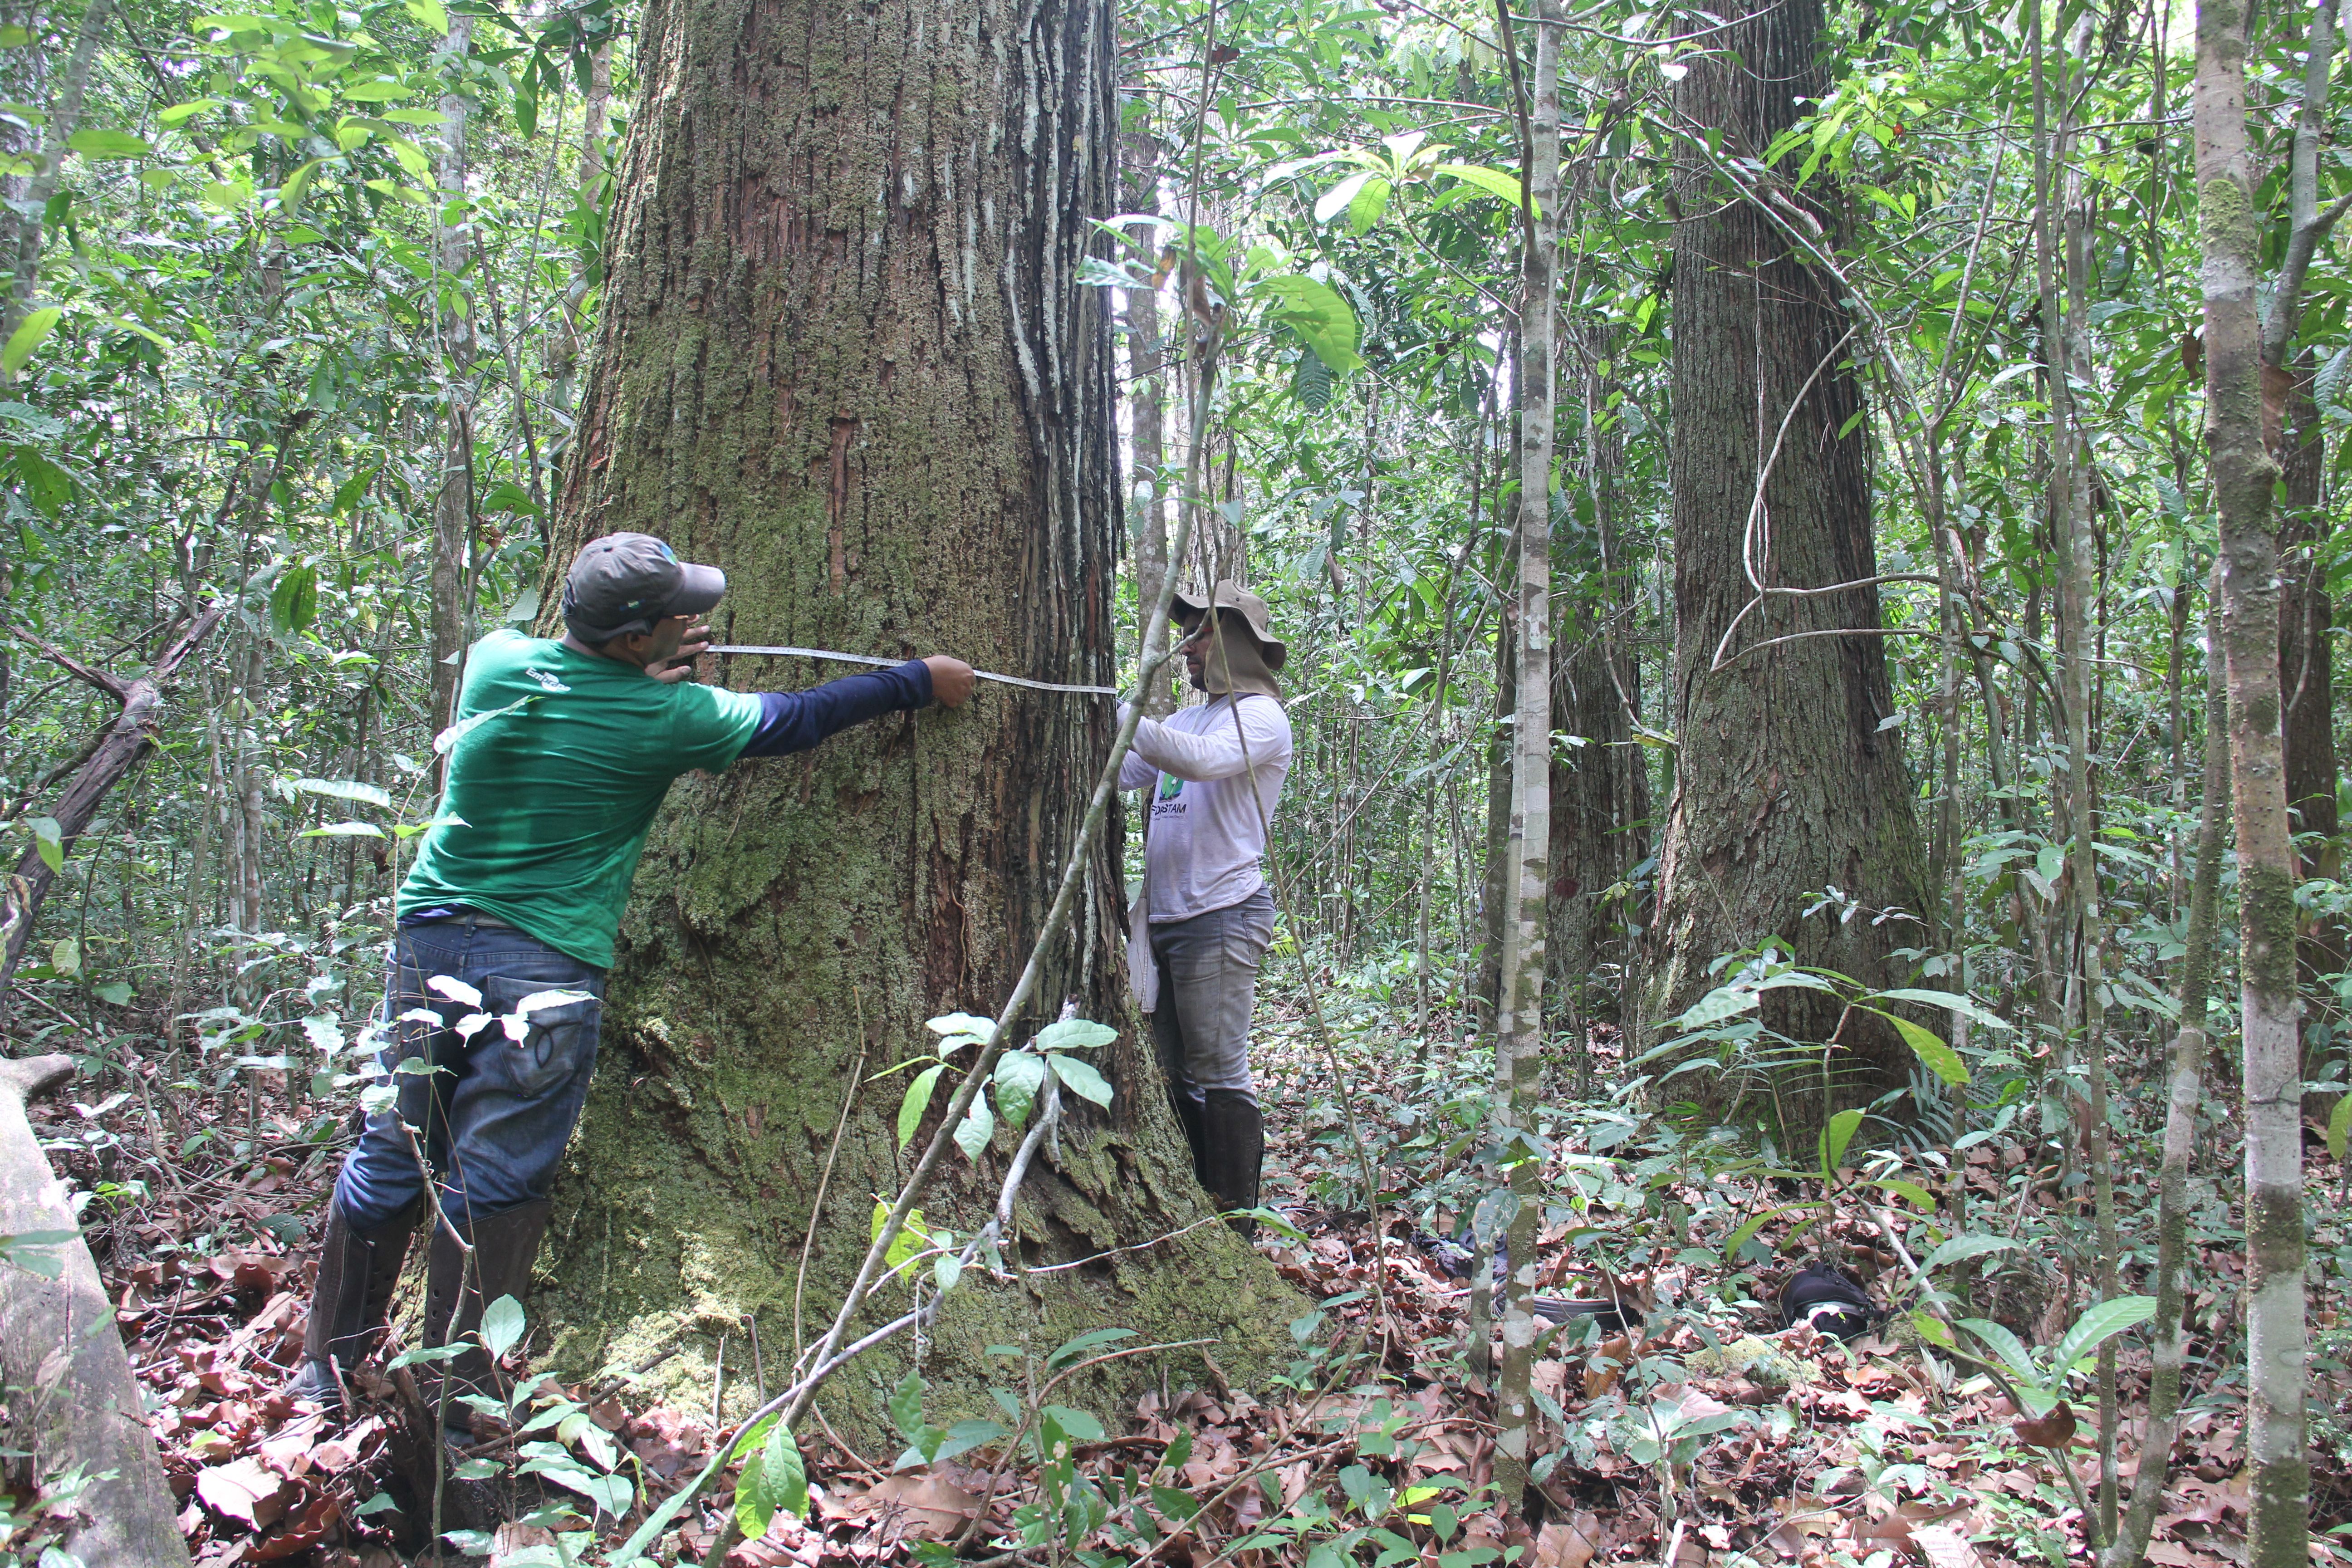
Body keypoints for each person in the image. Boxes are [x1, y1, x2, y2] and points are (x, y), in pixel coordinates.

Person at [290, 532, 975, 1442]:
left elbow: (571, 690)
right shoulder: (674, 720)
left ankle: (322, 1380)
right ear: (630, 638)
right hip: (544, 968)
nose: (695, 621)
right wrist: (918, 681)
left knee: (392, 1152)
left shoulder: (497, 666)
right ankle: (452, 1428)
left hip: (430, 944)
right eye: (675, 616)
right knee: (491, 1181)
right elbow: (800, 718)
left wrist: (641, 671)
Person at [1119, 583, 1293, 1235]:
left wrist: (1126, 713)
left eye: (1201, 634)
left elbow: (1194, 762)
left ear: (1236, 643)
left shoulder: (1262, 719)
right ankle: (1190, 1208)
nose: (1187, 648)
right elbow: (1126, 771)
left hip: (1221, 913)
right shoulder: (1189, 718)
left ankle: (1232, 1226)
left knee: (1217, 1070)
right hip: (1161, 918)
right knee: (1167, 1069)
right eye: (1186, 634)